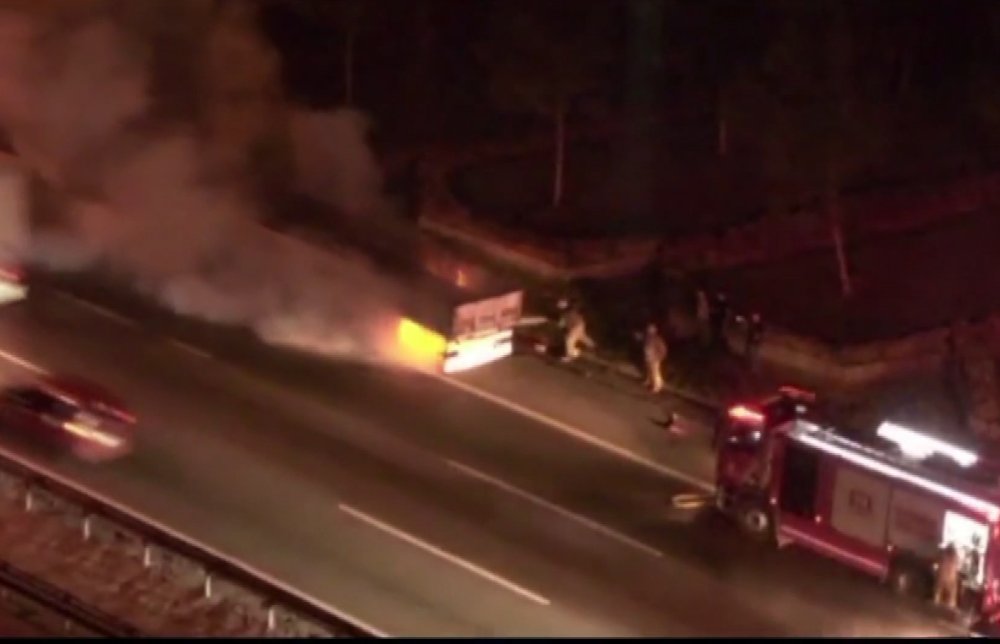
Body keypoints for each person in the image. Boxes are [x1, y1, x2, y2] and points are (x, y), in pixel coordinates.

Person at [934, 543, 961, 611]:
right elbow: (957, 567)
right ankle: (950, 606)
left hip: (943, 575)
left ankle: (936, 603)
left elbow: (940, 564)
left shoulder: (944, 555)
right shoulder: (955, 557)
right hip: (951, 577)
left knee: (939, 590)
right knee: (951, 593)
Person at [643, 323, 668, 394]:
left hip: (655, 358)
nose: (649, 330)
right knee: (649, 370)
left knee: (655, 372)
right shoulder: (648, 337)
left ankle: (657, 386)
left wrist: (659, 357)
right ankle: (649, 381)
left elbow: (663, 349)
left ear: (654, 331)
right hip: (648, 357)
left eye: (650, 329)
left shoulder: (657, 339)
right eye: (648, 329)